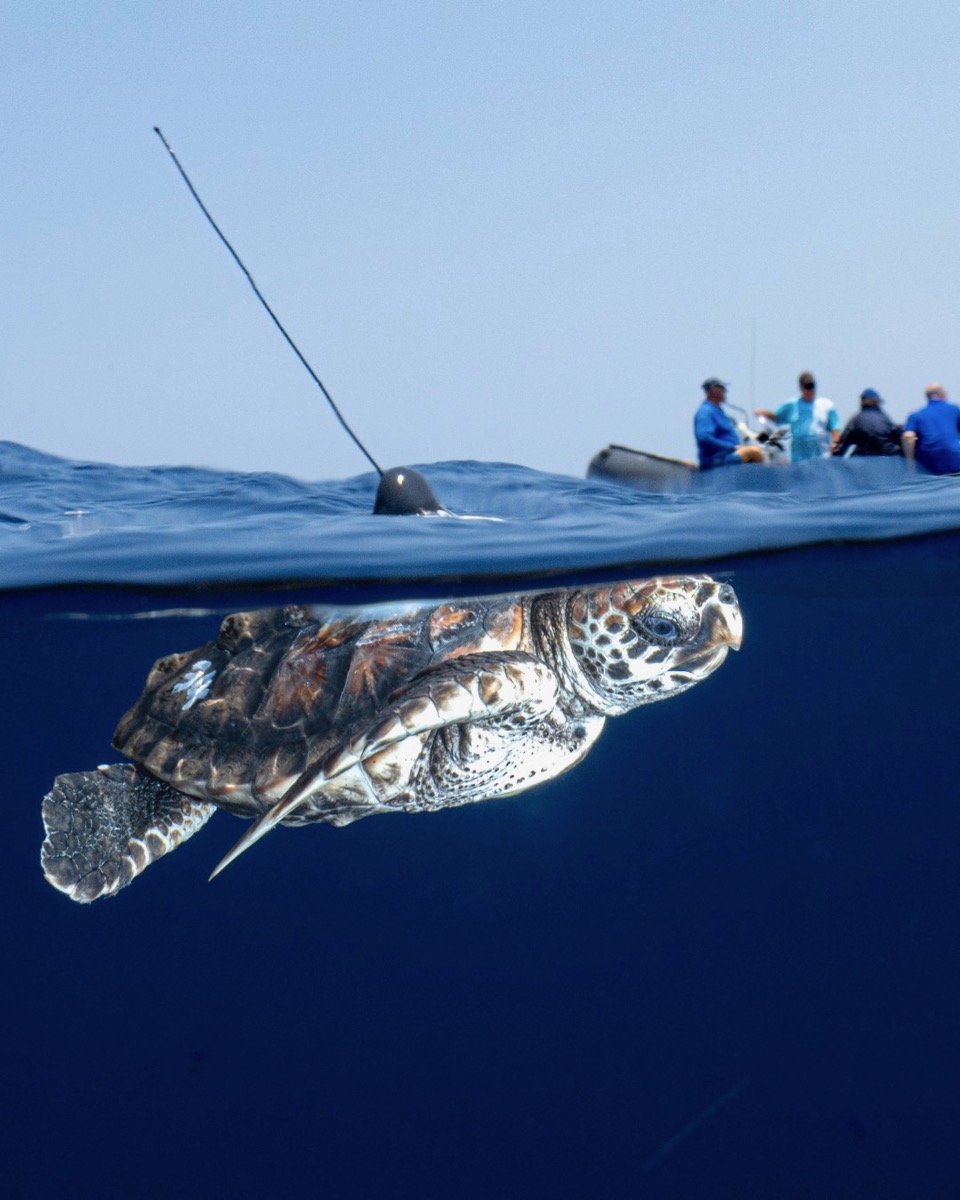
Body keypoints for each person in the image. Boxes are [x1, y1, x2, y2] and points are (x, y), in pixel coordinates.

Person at [755, 372, 840, 462]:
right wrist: (763, 412)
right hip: (798, 459)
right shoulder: (792, 405)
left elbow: (835, 427)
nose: (810, 390)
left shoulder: (826, 405)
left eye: (812, 386)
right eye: (807, 387)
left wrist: (835, 443)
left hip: (821, 457)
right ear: (801, 388)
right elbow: (776, 416)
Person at [694, 378, 764, 469]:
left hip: (727, 456)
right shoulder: (706, 412)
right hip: (717, 459)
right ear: (713, 390)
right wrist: (731, 448)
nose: (725, 391)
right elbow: (704, 438)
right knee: (754, 452)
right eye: (722, 388)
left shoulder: (718, 411)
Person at [901, 383, 960, 474]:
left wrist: (910, 464)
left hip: (929, 464)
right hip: (955, 461)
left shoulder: (916, 415)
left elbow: (908, 437)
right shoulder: (954, 409)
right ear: (942, 394)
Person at [832, 388, 903, 457]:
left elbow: (841, 448)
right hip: (889, 460)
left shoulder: (855, 420)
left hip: (864, 461)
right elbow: (899, 438)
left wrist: (832, 463)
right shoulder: (886, 419)